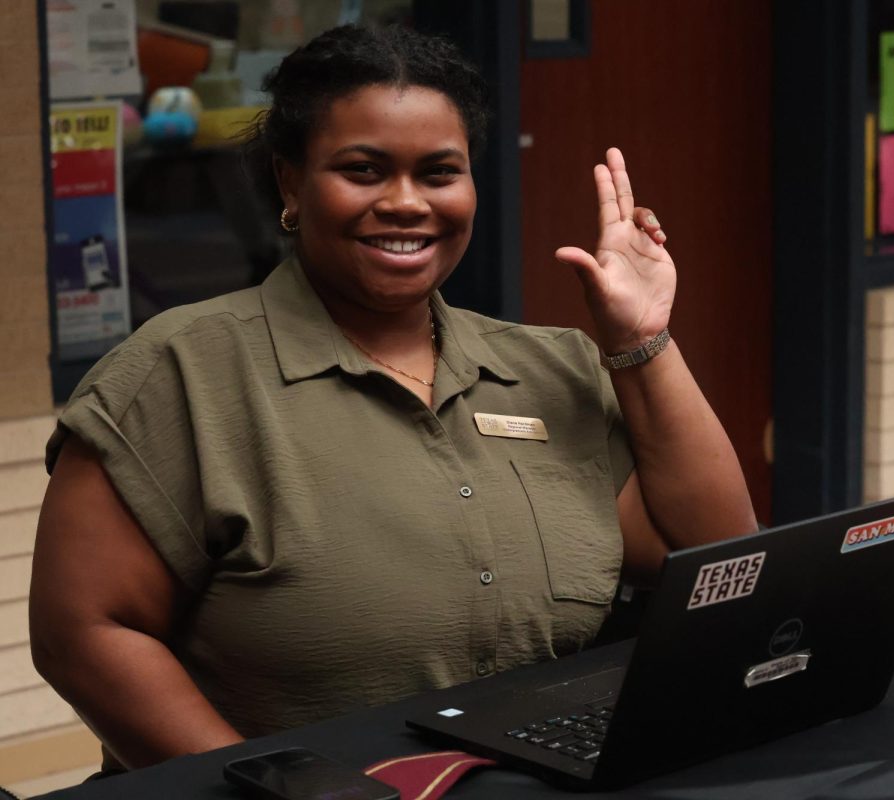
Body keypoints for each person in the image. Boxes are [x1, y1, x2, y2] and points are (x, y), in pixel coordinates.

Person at [28, 24, 757, 772]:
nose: (406, 203)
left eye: (439, 172)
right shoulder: (182, 372)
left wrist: (642, 342)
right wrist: (280, 794)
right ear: (290, 182)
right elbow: (83, 633)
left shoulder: (549, 368)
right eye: (364, 169)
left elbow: (717, 561)